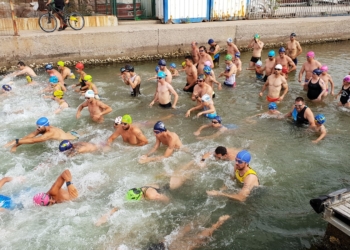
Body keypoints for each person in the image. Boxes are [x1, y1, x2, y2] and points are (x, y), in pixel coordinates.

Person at [147, 215, 230, 250]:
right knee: (180, 234)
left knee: (197, 240)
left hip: (161, 247)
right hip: (159, 246)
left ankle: (215, 225)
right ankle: (200, 221)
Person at [4, 117, 78, 152]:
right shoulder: (45, 128)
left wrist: (17, 141)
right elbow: (29, 136)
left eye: (39, 127)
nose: (37, 129)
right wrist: (16, 144)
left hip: (71, 141)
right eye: (37, 126)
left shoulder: (49, 133)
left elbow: (33, 140)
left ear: (45, 126)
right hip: (70, 134)